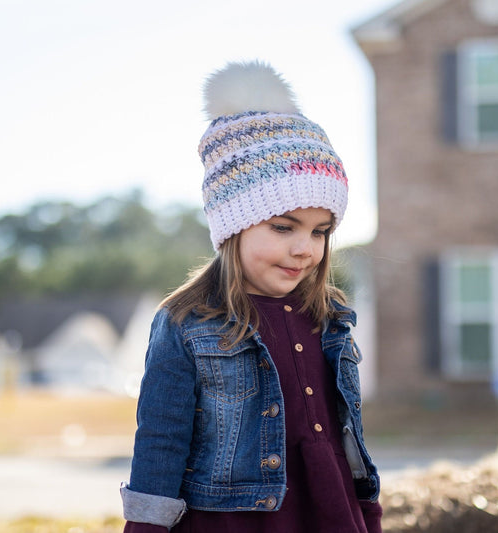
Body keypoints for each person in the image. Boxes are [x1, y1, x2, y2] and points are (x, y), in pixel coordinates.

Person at [121, 60, 383, 532]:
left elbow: (350, 438)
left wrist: (367, 513)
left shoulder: (330, 316)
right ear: (231, 227)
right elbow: (160, 441)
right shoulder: (188, 321)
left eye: (320, 232)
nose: (304, 248)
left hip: (331, 514)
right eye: (283, 227)